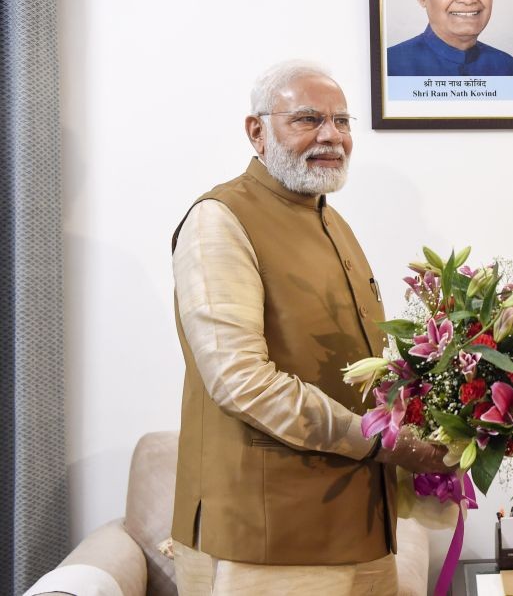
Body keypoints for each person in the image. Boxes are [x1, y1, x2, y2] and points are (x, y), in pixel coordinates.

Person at [169, 60, 450, 595]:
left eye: (342, 121)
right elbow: (240, 381)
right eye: (307, 119)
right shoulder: (220, 220)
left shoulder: (331, 220)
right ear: (257, 131)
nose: (331, 136)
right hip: (271, 539)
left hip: (364, 526)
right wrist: (382, 443)